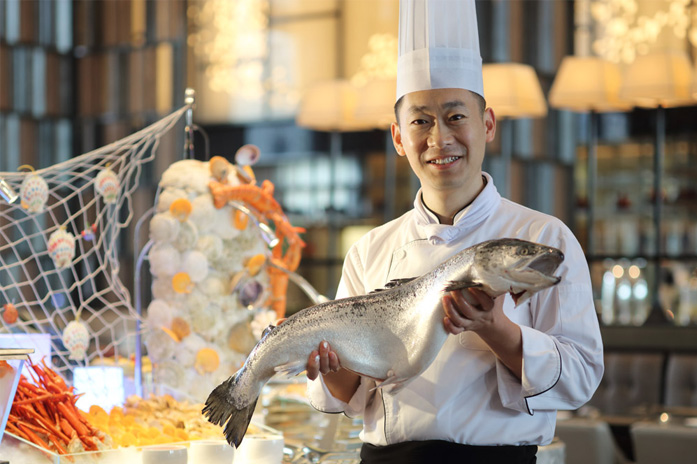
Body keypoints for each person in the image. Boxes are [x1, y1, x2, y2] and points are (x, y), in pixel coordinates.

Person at [303, 1, 604, 463]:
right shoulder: (370, 249)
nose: (439, 139)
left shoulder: (544, 239)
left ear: (487, 124)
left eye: (456, 116)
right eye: (420, 120)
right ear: (399, 138)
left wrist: (494, 327)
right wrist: (332, 368)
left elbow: (580, 378)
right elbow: (352, 396)